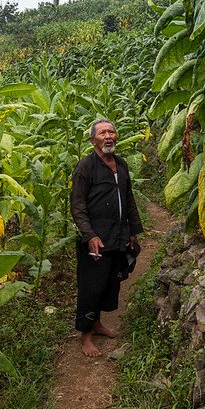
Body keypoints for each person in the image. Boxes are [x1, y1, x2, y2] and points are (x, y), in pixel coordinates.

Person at [70, 118, 143, 357]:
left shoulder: (120, 164)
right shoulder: (85, 167)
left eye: (111, 132)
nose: (108, 136)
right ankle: (85, 335)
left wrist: (132, 231)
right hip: (97, 240)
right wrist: (89, 235)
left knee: (110, 283)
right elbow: (77, 205)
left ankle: (97, 324)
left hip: (118, 236)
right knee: (91, 286)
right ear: (93, 140)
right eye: (102, 133)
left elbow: (128, 198)